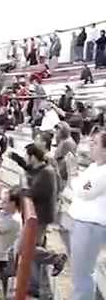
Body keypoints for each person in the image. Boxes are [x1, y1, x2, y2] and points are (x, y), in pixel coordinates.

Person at [68, 128, 106, 300]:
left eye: (95, 143)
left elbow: (83, 190)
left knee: (82, 275)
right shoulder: (93, 167)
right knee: (81, 273)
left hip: (90, 226)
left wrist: (73, 173)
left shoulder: (103, 173)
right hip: (82, 223)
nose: (90, 145)